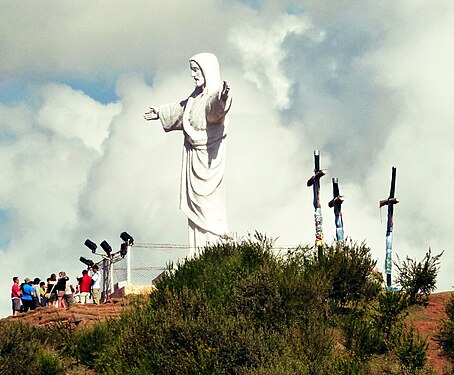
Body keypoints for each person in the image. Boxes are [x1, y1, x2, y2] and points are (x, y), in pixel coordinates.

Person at [144, 53, 232, 258]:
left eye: (196, 70)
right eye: (192, 70)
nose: (193, 75)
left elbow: (215, 110)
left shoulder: (213, 96)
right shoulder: (194, 99)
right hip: (193, 157)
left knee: (209, 208)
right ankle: (198, 254)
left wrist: (223, 98)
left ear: (208, 71)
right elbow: (180, 108)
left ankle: (214, 250)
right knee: (195, 212)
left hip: (208, 160)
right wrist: (159, 112)